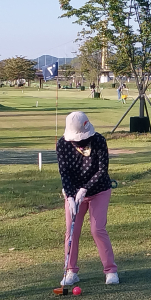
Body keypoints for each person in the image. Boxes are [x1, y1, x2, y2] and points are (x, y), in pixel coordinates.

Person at [56, 111, 118, 286]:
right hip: (74, 193)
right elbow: (64, 173)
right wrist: (69, 196)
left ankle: (111, 270)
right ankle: (71, 271)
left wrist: (85, 189)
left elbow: (101, 170)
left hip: (99, 190)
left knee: (97, 229)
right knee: (71, 231)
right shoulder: (62, 144)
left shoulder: (99, 141)